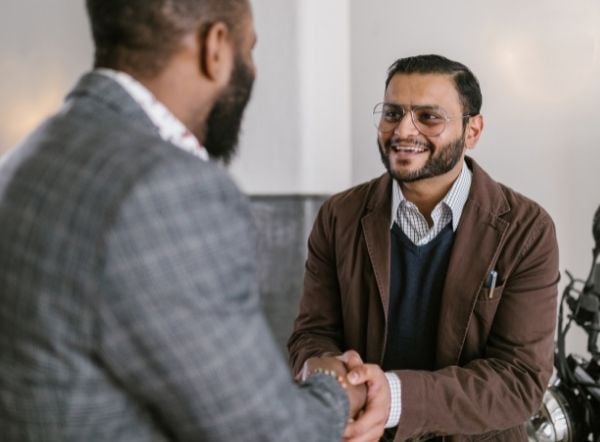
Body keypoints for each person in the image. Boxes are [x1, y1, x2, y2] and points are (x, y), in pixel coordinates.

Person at [0, 0, 386, 440]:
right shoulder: (166, 187)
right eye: (251, 50)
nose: (254, 71)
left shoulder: (27, 155)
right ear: (216, 47)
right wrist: (340, 392)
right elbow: (265, 432)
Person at [288, 54, 560, 441]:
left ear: (473, 131)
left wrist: (392, 396)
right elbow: (312, 334)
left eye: (429, 117)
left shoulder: (527, 228)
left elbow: (519, 381)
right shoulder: (340, 215)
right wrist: (332, 374)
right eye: (392, 113)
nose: (403, 130)